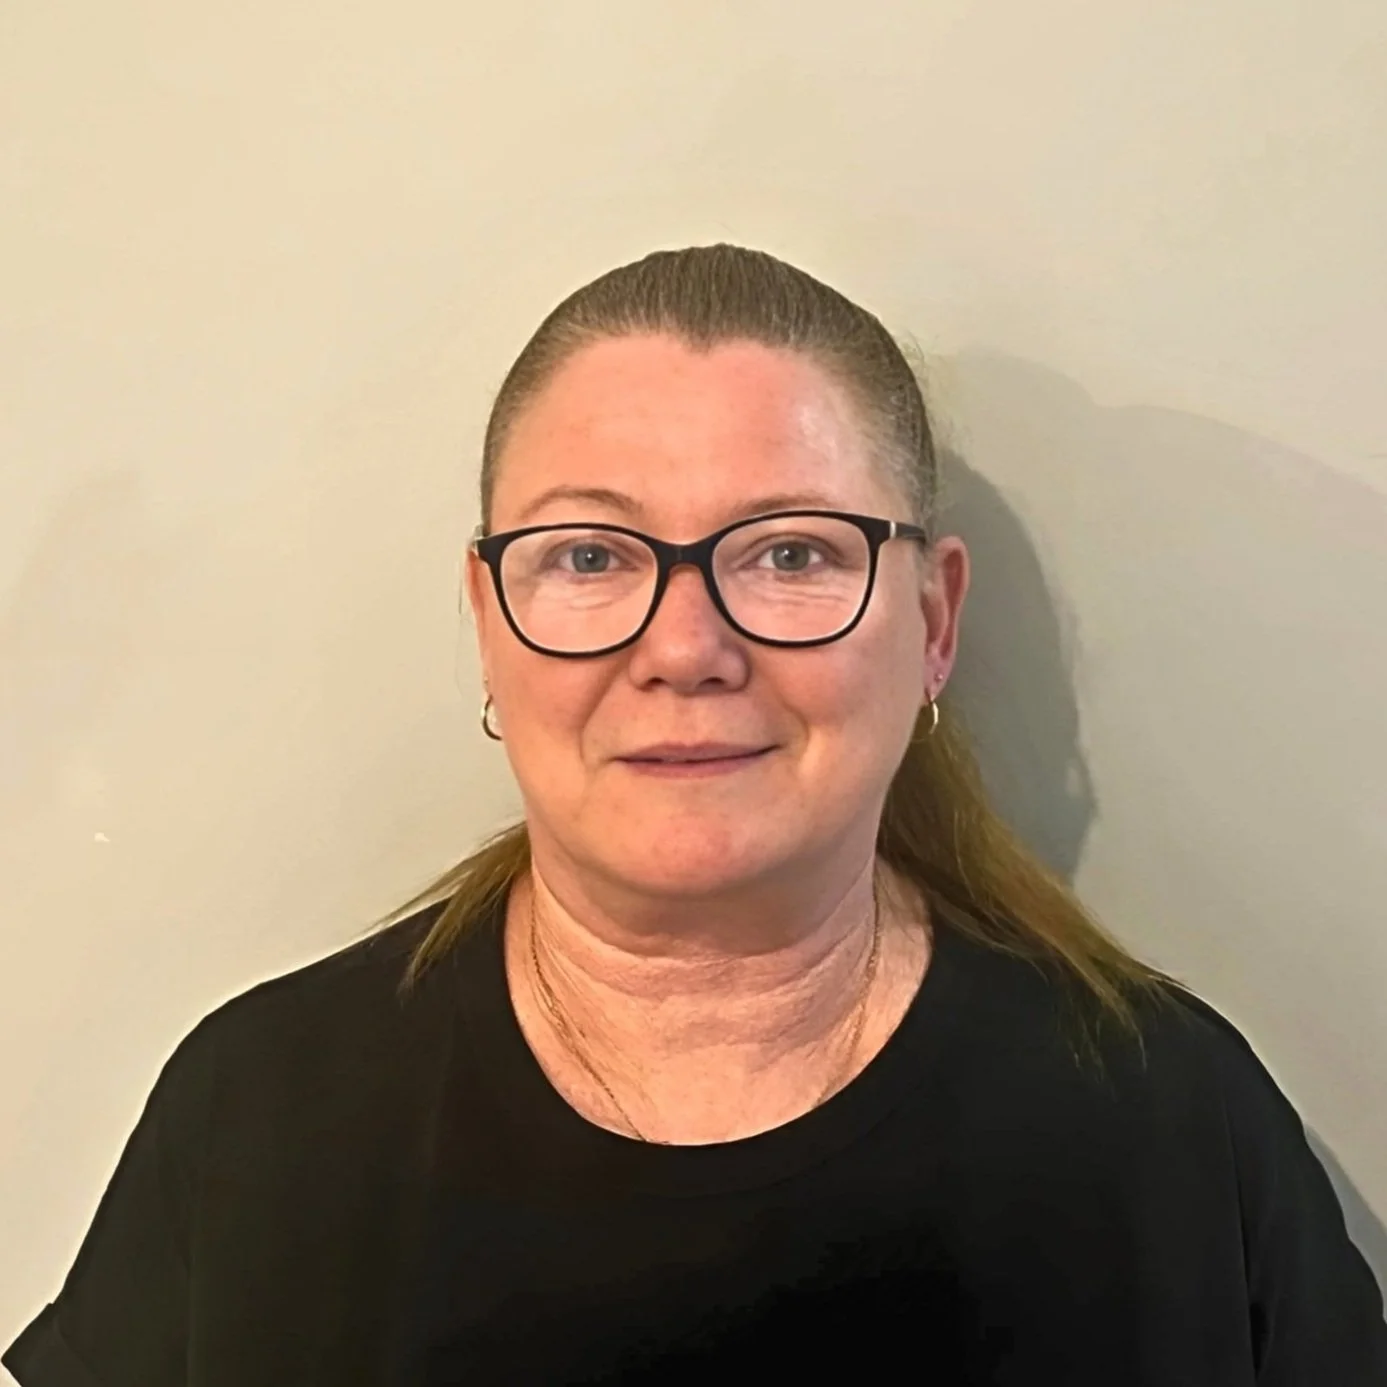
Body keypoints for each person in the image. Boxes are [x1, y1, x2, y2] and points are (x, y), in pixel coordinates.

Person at [6, 244, 1385, 1386]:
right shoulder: (260, 1113)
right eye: (588, 556)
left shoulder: (1166, 1123)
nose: (684, 647)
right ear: (489, 621)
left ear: (932, 620)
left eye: (789, 552)